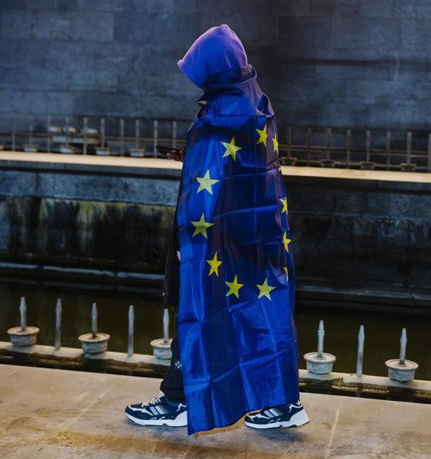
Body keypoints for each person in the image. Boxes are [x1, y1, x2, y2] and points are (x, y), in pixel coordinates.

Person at [124, 24, 308, 434]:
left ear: (213, 68)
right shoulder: (255, 102)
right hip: (259, 233)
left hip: (215, 239)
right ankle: (284, 402)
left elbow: (206, 191)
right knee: (263, 310)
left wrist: (187, 242)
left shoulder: (218, 116)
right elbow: (243, 170)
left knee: (197, 309)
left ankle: (179, 400)